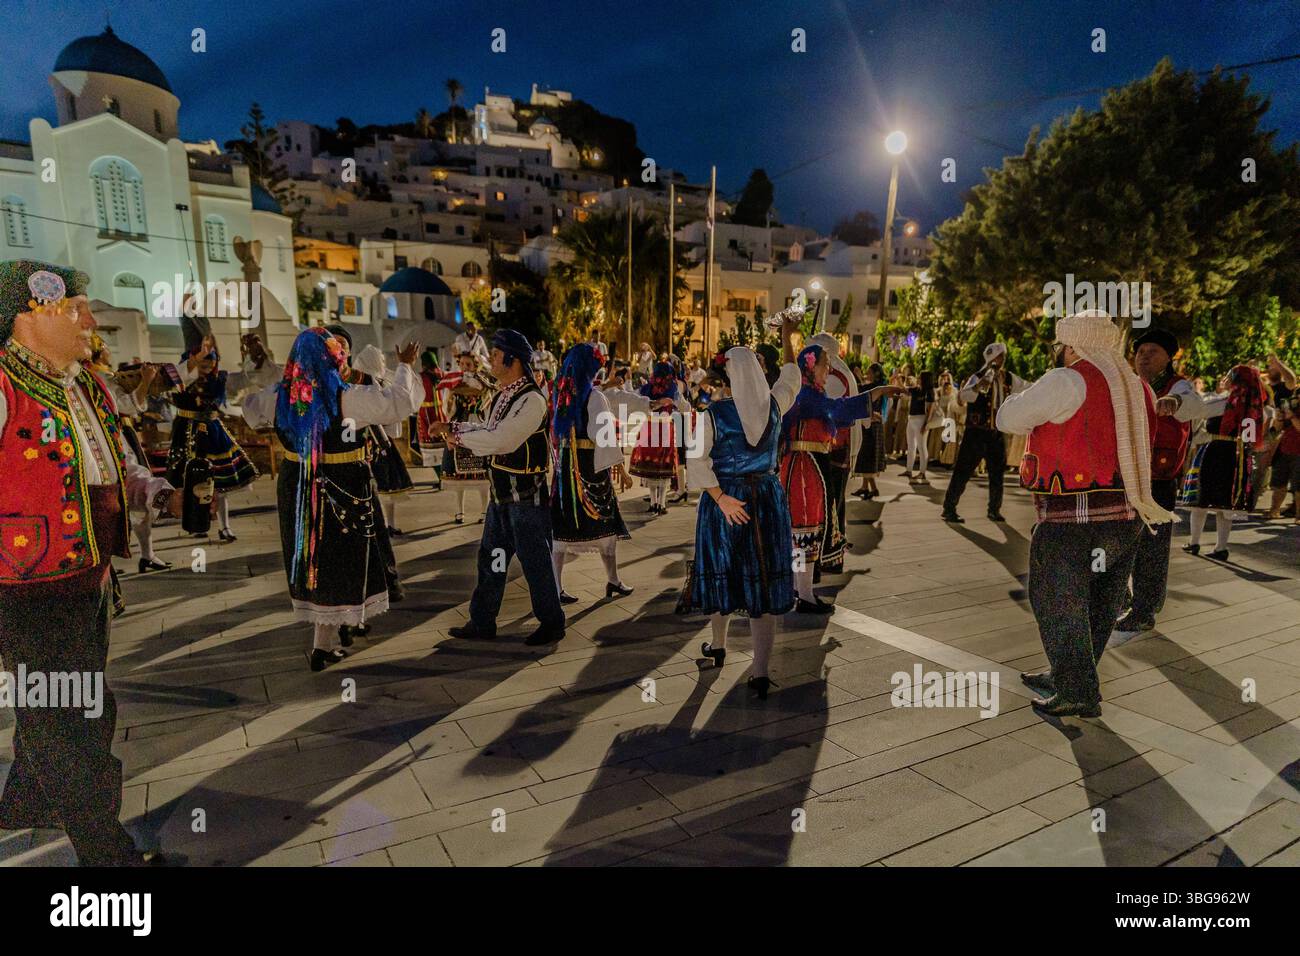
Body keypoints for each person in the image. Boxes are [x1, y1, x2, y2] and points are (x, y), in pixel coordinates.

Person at [0, 259, 182, 864]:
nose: (89, 318)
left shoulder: (83, 383)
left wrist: (148, 487)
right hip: (29, 585)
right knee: (75, 712)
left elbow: (116, 460)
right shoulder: (2, 385)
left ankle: (27, 800)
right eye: (75, 308)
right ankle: (105, 854)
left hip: (91, 571)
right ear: (29, 316)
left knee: (53, 701)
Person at [997, 310, 1171, 718]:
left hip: (1072, 516)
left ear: (1073, 344)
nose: (1060, 351)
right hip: (1126, 515)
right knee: (1101, 601)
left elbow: (1009, 418)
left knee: (1057, 599)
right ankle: (1071, 674)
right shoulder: (1138, 387)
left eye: (1061, 345)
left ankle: (1076, 689)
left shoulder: (1068, 379)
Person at [243, 329, 420, 670]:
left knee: (314, 561)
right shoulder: (347, 397)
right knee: (341, 562)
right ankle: (327, 641)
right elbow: (399, 404)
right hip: (341, 485)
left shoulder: (279, 396)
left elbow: (249, 410)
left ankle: (326, 641)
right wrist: (405, 366)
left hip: (297, 485)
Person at [679, 326, 801, 699]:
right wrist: (788, 338)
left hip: (726, 501)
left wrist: (720, 499)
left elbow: (696, 461)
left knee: (723, 572)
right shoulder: (777, 405)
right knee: (762, 581)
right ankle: (760, 671)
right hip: (767, 498)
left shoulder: (715, 413)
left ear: (730, 375)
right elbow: (792, 376)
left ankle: (718, 645)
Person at [434, 330, 565, 646]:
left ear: (513, 360)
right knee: (491, 558)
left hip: (526, 499)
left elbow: (502, 438)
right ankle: (482, 622)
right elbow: (487, 428)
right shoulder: (503, 395)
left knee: (535, 562)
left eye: (494, 355)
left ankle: (552, 623)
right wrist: (454, 428)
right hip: (501, 496)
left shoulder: (532, 400)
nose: (489, 360)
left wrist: (459, 437)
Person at [781, 343, 904, 612]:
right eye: (825, 364)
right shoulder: (805, 395)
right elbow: (834, 409)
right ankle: (802, 593)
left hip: (810, 466)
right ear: (811, 367)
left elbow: (828, 416)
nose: (829, 369)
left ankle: (801, 590)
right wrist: (876, 392)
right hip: (804, 468)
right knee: (804, 531)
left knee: (807, 530)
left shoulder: (811, 395)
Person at [1114, 328, 1221, 633]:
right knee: (1115, 543)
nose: (1144, 355)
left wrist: (1173, 401)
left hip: (1158, 482)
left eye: (1153, 351)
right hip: (1125, 478)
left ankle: (1144, 610)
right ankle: (1121, 600)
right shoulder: (1130, 386)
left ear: (1168, 359)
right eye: (1140, 351)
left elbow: (1193, 403)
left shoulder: (1178, 385)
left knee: (1151, 550)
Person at [550, 344, 665, 603]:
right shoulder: (595, 397)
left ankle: (555, 586)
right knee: (606, 523)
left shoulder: (564, 394)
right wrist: (620, 468)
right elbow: (603, 437)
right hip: (590, 466)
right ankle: (612, 580)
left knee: (562, 527)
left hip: (566, 467)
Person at [168, 334, 260, 542]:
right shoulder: (180, 380)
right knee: (190, 481)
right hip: (186, 431)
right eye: (203, 362)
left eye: (211, 362)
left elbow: (240, 385)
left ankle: (225, 527)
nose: (208, 366)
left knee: (218, 485)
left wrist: (249, 357)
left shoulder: (219, 379)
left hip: (212, 432)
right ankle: (196, 523)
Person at [1177, 365, 1269, 560]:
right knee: (1226, 505)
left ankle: (1194, 542)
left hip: (1214, 451)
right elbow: (1250, 438)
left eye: (1228, 375)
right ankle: (1221, 547)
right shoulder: (1255, 408)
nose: (1225, 378)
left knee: (1200, 500)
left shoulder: (1223, 402)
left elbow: (1197, 411)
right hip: (1237, 457)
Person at [941, 342, 1028, 523]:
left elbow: (1027, 386)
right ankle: (949, 508)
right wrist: (977, 385)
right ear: (990, 359)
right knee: (963, 471)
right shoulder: (978, 376)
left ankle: (994, 510)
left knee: (997, 473)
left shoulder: (1008, 378)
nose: (1001, 360)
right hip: (976, 433)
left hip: (996, 433)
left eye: (1002, 356)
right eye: (998, 357)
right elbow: (963, 397)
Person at [807, 332, 859, 575]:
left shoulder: (834, 377)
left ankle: (829, 556)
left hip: (832, 448)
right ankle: (827, 556)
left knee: (830, 503)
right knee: (832, 502)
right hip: (832, 448)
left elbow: (832, 413)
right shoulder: (839, 372)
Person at [351, 345, 416, 535]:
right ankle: (381, 524)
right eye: (380, 361)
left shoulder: (371, 382)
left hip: (374, 440)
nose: (383, 364)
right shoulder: (367, 384)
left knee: (385, 486)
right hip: (372, 441)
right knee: (377, 485)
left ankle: (387, 524)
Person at [439, 352, 494, 523]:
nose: (464, 367)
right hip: (459, 425)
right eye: (462, 364)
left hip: (476, 424)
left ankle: (484, 511)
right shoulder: (455, 382)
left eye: (468, 364)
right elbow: (448, 408)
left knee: (481, 474)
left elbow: (487, 401)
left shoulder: (483, 382)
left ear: (475, 365)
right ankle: (459, 511)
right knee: (458, 475)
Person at [629, 361, 690, 514]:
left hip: (649, 428)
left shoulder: (647, 387)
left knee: (650, 466)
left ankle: (653, 501)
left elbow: (634, 398)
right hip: (665, 428)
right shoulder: (673, 388)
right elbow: (685, 407)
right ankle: (661, 504)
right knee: (664, 466)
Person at [852, 362, 888, 498]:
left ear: (875, 374)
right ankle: (866, 487)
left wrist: (859, 377)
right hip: (872, 424)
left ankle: (871, 488)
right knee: (867, 456)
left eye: (869, 372)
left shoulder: (876, 387)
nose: (867, 374)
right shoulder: (877, 386)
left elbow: (861, 391)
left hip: (872, 425)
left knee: (868, 455)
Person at [1263, 399, 1300, 520]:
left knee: (1298, 487)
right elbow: (1276, 430)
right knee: (1279, 484)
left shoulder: (1292, 413)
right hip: (1283, 451)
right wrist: (1279, 418)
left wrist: (1292, 417)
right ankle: (1274, 511)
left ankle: (1299, 516)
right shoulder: (1290, 407)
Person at [902, 369, 936, 484]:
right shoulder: (916, 389)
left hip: (921, 419)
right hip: (911, 418)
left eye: (920, 377)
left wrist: (926, 424)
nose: (918, 378)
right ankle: (909, 470)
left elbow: (930, 409)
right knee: (911, 445)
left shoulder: (929, 391)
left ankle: (922, 472)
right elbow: (904, 390)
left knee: (921, 446)